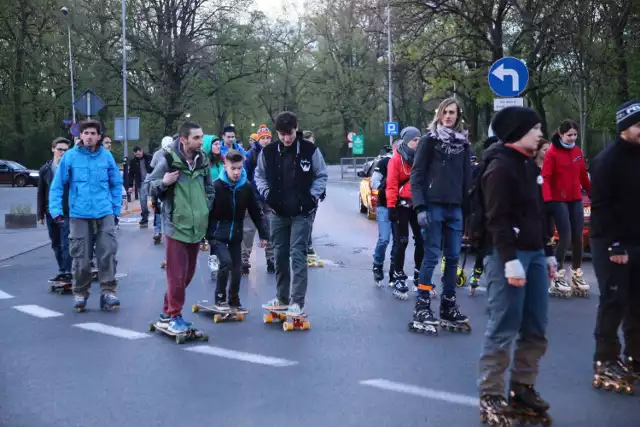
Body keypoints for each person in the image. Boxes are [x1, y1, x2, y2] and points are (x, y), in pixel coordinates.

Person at [477, 107, 556, 424]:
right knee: (504, 326)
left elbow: (538, 213)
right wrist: (510, 262)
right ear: (516, 132)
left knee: (536, 326)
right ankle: (490, 395)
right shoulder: (499, 168)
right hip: (506, 255)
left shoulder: (528, 165)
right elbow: (496, 219)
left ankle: (522, 387)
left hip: (535, 253)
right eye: (535, 128)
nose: (540, 134)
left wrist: (548, 251)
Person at [254, 111, 328, 316]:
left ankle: (297, 301)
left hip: (302, 213)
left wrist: (313, 196)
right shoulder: (268, 152)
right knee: (280, 255)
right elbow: (258, 175)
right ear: (277, 132)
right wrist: (266, 193)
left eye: (290, 133)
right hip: (277, 212)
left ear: (296, 129)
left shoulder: (309, 150)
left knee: (297, 255)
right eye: (282, 134)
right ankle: (282, 297)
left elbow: (321, 174)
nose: (287, 138)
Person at [589, 100, 640, 391]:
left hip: (637, 239)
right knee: (614, 300)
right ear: (624, 128)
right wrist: (616, 246)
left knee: (638, 302)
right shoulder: (608, 160)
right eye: (639, 126)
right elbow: (602, 207)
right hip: (611, 242)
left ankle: (635, 356)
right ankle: (605, 359)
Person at [410, 97, 472, 332]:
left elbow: (468, 180)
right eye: (445, 112)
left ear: (458, 116)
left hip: (455, 207)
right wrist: (420, 207)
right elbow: (416, 176)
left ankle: (448, 304)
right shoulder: (429, 141)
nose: (448, 116)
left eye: (453, 112)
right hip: (433, 205)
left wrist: (469, 212)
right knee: (432, 255)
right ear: (439, 114)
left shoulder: (464, 144)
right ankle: (423, 305)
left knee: (453, 257)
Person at [49, 120, 123, 311]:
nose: (89, 136)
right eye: (86, 133)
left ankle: (108, 292)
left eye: (93, 133)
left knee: (107, 253)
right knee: (80, 257)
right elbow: (57, 186)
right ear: (80, 136)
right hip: (79, 214)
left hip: (104, 212)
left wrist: (115, 210)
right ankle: (80, 293)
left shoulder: (106, 157)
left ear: (99, 136)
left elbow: (116, 184)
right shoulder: (70, 157)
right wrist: (55, 211)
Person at [148, 122, 214, 333]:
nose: (201, 141)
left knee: (188, 274)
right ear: (184, 140)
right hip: (175, 226)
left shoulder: (202, 159)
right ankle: (175, 315)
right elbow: (149, 185)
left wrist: (206, 208)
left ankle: (166, 313)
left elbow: (209, 188)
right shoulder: (168, 159)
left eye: (202, 137)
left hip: (197, 226)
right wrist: (164, 182)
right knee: (176, 276)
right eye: (197, 138)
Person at [207, 150, 268, 311]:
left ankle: (234, 300)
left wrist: (263, 234)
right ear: (225, 166)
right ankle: (220, 298)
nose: (236, 172)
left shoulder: (245, 187)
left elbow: (256, 211)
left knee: (237, 268)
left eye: (239, 168)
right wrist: (204, 236)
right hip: (218, 234)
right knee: (225, 263)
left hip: (236, 234)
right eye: (233, 168)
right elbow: (207, 212)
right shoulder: (217, 186)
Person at [542, 120, 591, 297]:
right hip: (557, 199)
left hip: (575, 198)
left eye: (575, 135)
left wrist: (593, 193)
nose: (572, 138)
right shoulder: (552, 153)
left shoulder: (577, 152)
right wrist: (547, 200)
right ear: (561, 134)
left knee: (579, 237)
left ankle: (577, 274)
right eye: (569, 135)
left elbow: (583, 175)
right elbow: (545, 177)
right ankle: (558, 274)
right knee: (566, 236)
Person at [385, 127, 423, 300]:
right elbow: (391, 184)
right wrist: (391, 207)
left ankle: (418, 274)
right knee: (402, 241)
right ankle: (399, 275)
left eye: (419, 140)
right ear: (407, 141)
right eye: (414, 140)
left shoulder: (422, 158)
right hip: (401, 205)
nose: (417, 143)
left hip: (417, 204)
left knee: (422, 240)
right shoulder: (396, 160)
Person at [38, 137, 72, 284]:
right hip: (50, 212)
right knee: (56, 243)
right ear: (53, 149)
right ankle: (62, 270)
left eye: (66, 150)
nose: (62, 152)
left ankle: (69, 272)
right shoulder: (45, 169)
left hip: (66, 211)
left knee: (67, 243)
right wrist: (40, 213)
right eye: (60, 149)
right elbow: (41, 192)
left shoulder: (71, 168)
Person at [242, 125, 275, 274]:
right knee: (248, 230)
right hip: (254, 197)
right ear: (259, 139)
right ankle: (243, 260)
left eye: (268, 138)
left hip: (270, 197)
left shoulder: (275, 153)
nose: (266, 141)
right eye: (263, 138)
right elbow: (245, 175)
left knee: (270, 228)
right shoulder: (251, 155)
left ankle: (271, 259)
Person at [371, 140, 399, 286]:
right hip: (384, 205)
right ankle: (377, 265)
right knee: (384, 239)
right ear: (395, 148)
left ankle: (394, 271)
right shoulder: (384, 163)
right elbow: (374, 182)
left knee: (399, 241)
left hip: (401, 207)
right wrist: (388, 186)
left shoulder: (409, 162)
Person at [201, 134, 224, 258]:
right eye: (215, 144)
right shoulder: (204, 163)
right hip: (208, 201)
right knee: (211, 231)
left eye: (219, 143)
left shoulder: (222, 160)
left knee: (217, 231)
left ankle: (216, 258)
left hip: (221, 200)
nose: (218, 146)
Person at [127, 146, 153, 227]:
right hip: (141, 183)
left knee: (156, 200)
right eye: (136, 153)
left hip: (152, 181)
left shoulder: (149, 158)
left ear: (142, 151)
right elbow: (131, 174)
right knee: (143, 201)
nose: (138, 154)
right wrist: (130, 185)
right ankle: (144, 217)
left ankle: (159, 218)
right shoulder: (133, 162)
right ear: (134, 153)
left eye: (139, 152)